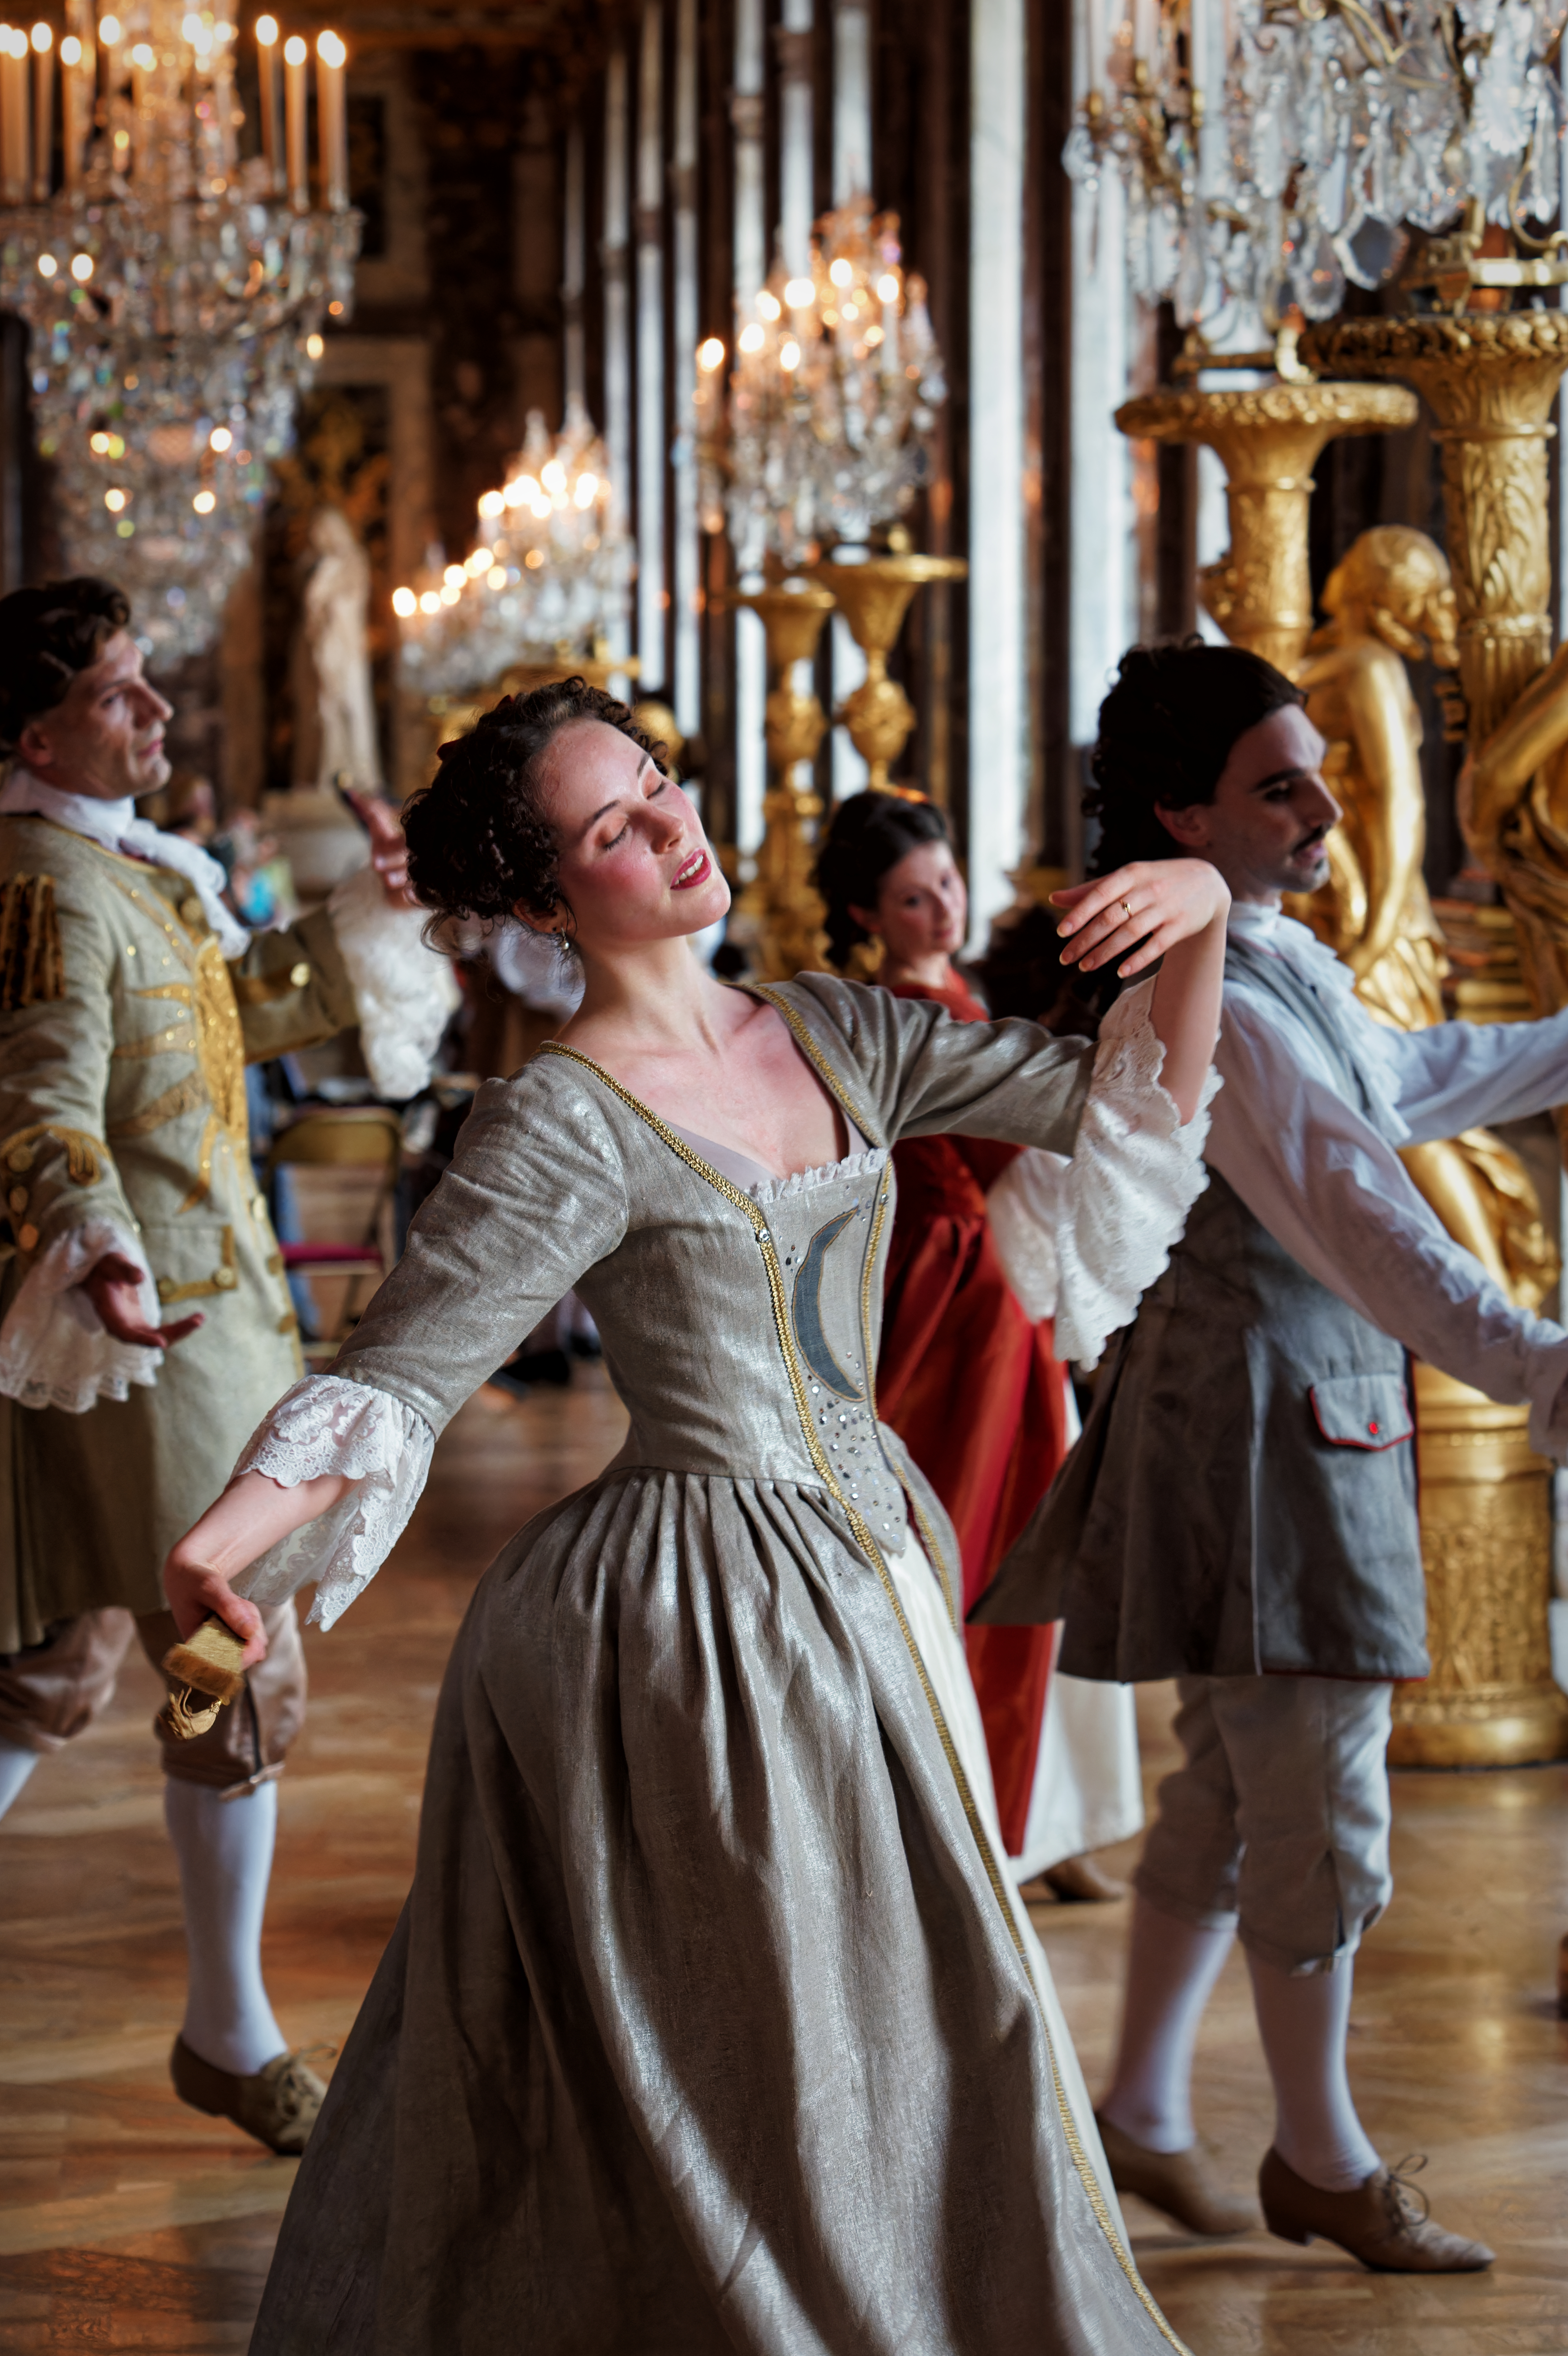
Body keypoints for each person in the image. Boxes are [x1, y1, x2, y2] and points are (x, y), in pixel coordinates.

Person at [162, 678, 1230, 2354]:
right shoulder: (560, 1119)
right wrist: (226, 1543)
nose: (671, 829)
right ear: (538, 900)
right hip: (695, 1635)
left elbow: (1120, 1104)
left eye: (658, 787)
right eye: (611, 827)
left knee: (946, 2005)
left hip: (870, 1568)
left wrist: (1198, 918)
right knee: (768, 2049)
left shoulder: (833, 1026)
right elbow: (399, 1373)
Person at [0, 578, 459, 2156]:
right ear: (35, 733)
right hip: (139, 1319)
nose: (155, 710)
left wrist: (372, 911)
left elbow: (225, 1018)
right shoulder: (32, 878)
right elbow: (30, 1086)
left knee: (68, 1646)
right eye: (118, 691)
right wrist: (88, 1230)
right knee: (234, 1638)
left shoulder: (122, 864)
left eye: (147, 681)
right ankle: (225, 2028)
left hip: (190, 1309)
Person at [980, 639, 1568, 2273]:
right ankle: (1318, 2151)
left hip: (1270, 1415)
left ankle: (1143, 2110)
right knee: (1314, 1795)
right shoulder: (1221, 1001)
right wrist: (1531, 1361)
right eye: (1275, 784)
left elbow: (1386, 1090)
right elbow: (1354, 1213)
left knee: (1231, 1786)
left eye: (1314, 771)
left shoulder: (1269, 962)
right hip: (1265, 1437)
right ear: (1176, 813)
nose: (1320, 807)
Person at [813, 790, 1140, 1897]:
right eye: (912, 896)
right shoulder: (899, 1011)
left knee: (1025, 1540)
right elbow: (1005, 1157)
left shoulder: (957, 995)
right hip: (955, 1294)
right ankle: (984, 1822)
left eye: (947, 881)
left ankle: (1048, 1819)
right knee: (987, 1546)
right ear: (869, 912)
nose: (939, 906)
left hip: (993, 1282)